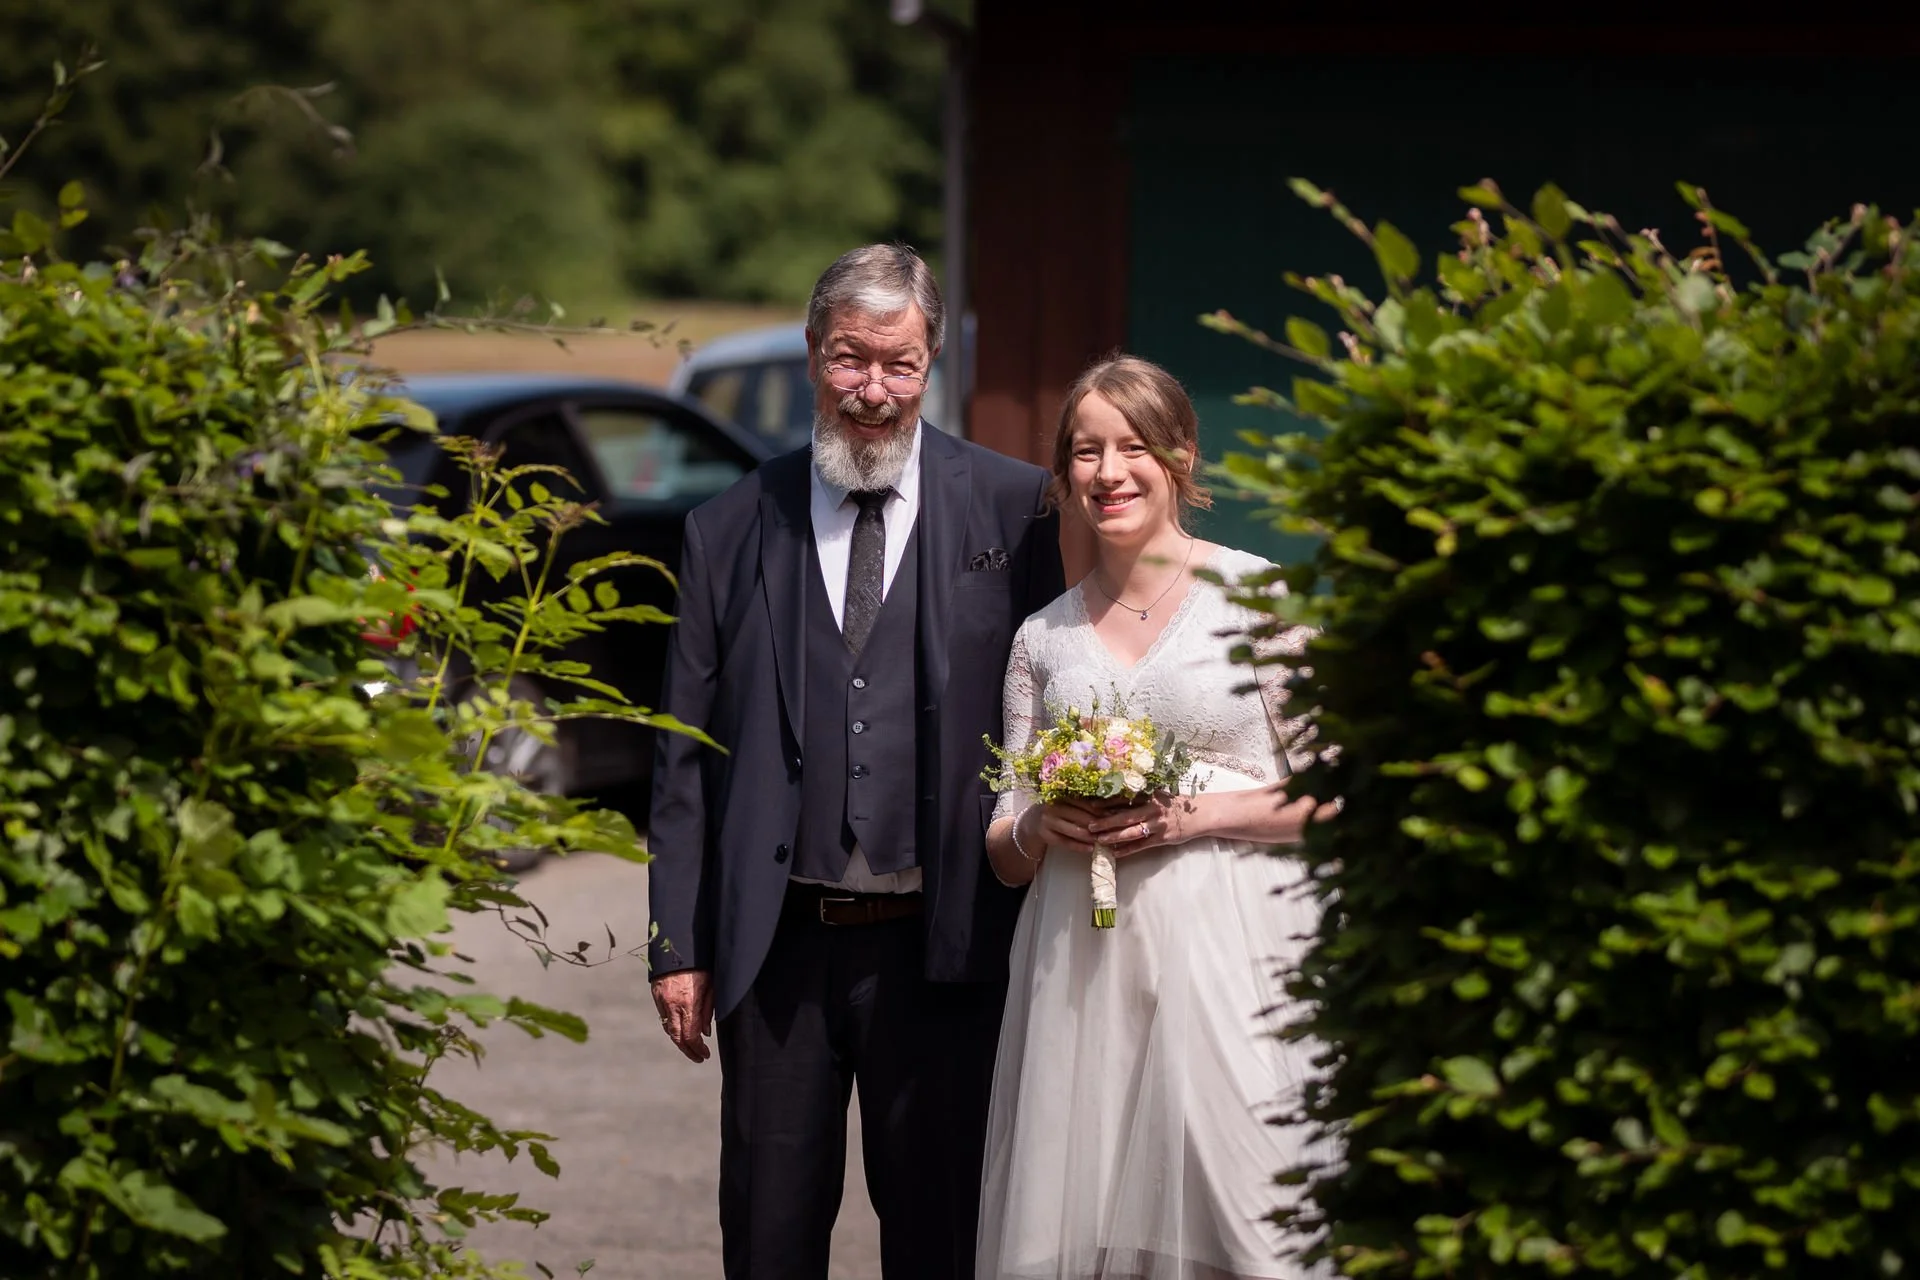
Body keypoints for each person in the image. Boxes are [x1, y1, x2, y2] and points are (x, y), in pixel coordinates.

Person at [646, 243, 1066, 1280]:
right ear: (809, 354)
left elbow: (1059, 700)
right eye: (849, 360)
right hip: (776, 947)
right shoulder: (727, 526)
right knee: (770, 1233)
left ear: (931, 365)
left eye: (899, 365)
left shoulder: (1018, 512)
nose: (873, 391)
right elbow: (682, 757)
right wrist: (674, 941)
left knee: (939, 1237)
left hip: (944, 947)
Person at [975, 355, 1334, 1280]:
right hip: (1081, 979)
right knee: (1087, 1228)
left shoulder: (1263, 602)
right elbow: (1003, 844)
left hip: (1235, 960)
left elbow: (1335, 795)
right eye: (1086, 452)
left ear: (1178, 457)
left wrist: (1191, 815)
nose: (1109, 472)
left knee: (1249, 1224)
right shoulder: (1042, 636)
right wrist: (1041, 826)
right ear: (1063, 477)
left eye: (1132, 446)